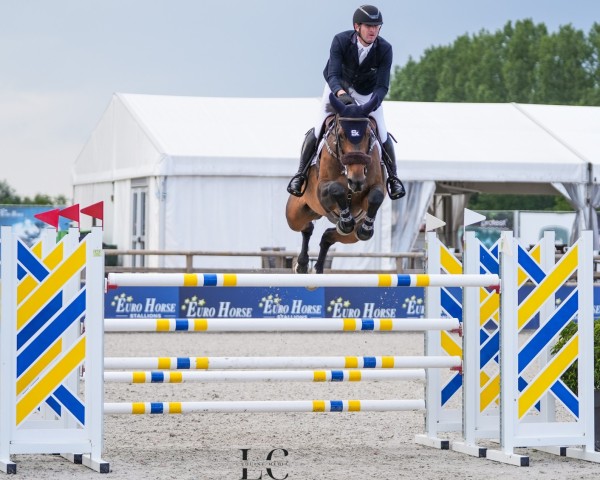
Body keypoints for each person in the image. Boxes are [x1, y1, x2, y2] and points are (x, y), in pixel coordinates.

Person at [287, 4, 406, 200]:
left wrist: (372, 104)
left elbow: (383, 86)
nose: (373, 30)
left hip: (366, 94)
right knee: (318, 128)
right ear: (356, 26)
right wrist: (341, 93)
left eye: (376, 26)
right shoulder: (340, 41)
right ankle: (300, 175)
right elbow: (332, 74)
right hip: (337, 89)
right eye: (368, 26)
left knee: (383, 132)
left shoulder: (385, 49)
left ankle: (393, 178)